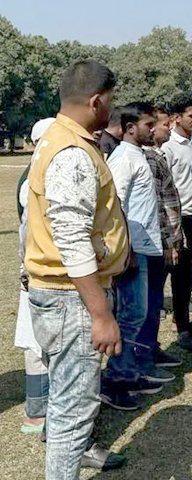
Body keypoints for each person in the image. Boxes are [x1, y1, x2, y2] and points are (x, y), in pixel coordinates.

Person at [25, 60, 129, 479]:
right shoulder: (71, 152)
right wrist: (100, 314)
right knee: (73, 412)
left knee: (67, 403)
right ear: (96, 100)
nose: (112, 109)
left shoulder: (59, 139)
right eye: (111, 102)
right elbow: (70, 239)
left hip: (65, 294)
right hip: (73, 299)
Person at [103, 102, 170, 411]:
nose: (153, 129)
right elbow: (114, 206)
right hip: (130, 252)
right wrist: (125, 249)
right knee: (130, 316)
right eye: (148, 125)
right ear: (131, 128)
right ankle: (116, 381)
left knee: (137, 315)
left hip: (142, 249)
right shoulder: (123, 159)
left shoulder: (137, 156)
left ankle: (130, 372)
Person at [16, 118, 56, 436]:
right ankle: (37, 410)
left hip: (37, 269)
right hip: (36, 271)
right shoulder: (34, 179)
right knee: (36, 344)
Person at [141, 105, 184, 369]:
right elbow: (158, 205)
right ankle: (145, 352)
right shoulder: (147, 159)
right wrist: (169, 242)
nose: (168, 127)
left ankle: (152, 347)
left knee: (155, 299)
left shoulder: (157, 156)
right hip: (155, 242)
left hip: (162, 240)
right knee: (149, 301)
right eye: (163, 123)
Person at [162, 93, 192, 351]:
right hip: (181, 217)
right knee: (181, 275)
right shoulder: (168, 148)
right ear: (177, 118)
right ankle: (182, 322)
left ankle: (191, 318)